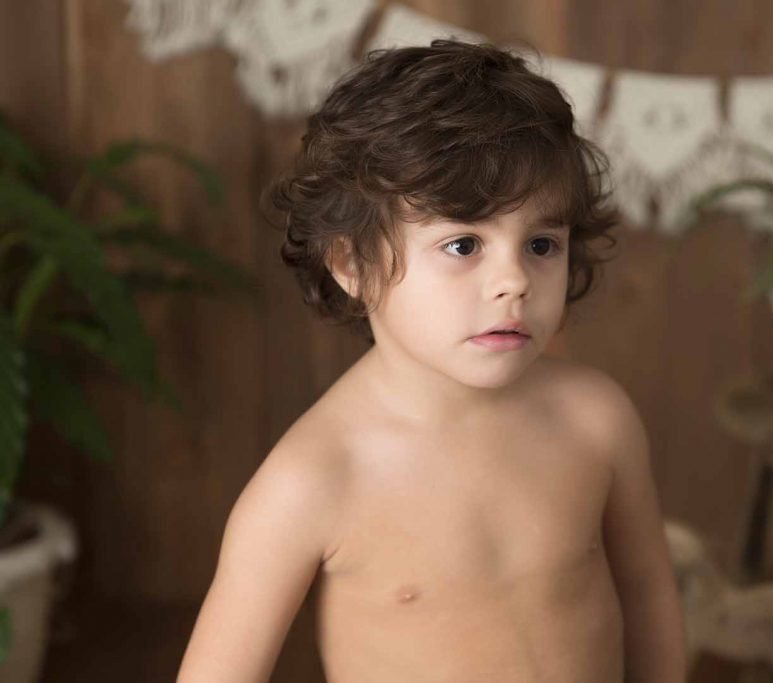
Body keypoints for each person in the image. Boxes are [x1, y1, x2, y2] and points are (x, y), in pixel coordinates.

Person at [177, 39, 687, 683]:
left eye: (540, 244)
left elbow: (647, 592)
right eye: (464, 244)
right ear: (352, 265)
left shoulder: (596, 418)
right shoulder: (313, 480)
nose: (514, 281)